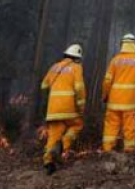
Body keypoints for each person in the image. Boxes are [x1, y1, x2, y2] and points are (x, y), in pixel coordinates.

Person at [101, 33, 135, 153]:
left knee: (111, 126)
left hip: (114, 101)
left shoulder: (115, 60)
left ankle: (107, 150)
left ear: (123, 44)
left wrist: (105, 95)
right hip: (130, 101)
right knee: (129, 126)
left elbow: (107, 81)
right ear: (134, 44)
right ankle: (129, 149)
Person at [40, 43, 86, 174]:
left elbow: (44, 85)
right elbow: (79, 88)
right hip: (69, 108)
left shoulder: (54, 67)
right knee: (77, 125)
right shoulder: (76, 68)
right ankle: (62, 145)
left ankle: (48, 162)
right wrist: (81, 107)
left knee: (53, 135)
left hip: (53, 110)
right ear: (77, 58)